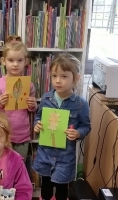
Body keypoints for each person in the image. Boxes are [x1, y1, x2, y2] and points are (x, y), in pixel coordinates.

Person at [32, 53, 91, 200]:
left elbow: (86, 126)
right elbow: (39, 117)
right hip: (45, 154)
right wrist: (36, 125)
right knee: (45, 188)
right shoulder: (46, 98)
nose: (58, 81)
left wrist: (78, 133)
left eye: (64, 76)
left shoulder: (80, 104)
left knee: (61, 190)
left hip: (65, 158)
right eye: (54, 76)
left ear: (75, 78)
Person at [0, 35, 37, 159]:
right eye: (11, 60)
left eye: (20, 60)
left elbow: (31, 110)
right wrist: (0, 104)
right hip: (3, 134)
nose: (15, 64)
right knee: (3, 166)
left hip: (22, 136)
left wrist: (32, 105)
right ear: (3, 61)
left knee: (19, 165)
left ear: (26, 61)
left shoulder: (29, 85)